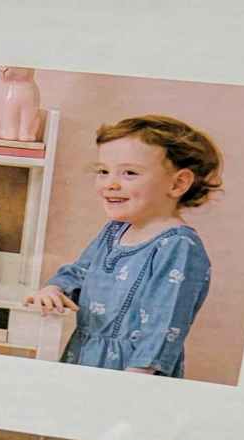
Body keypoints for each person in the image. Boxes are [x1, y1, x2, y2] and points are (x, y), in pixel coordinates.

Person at [23, 116, 219, 377]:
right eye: (103, 171)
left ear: (178, 184)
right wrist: (54, 289)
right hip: (83, 357)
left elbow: (164, 327)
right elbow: (79, 272)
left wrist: (133, 382)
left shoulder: (178, 247)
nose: (111, 183)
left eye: (129, 173)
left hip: (134, 373)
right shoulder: (113, 231)